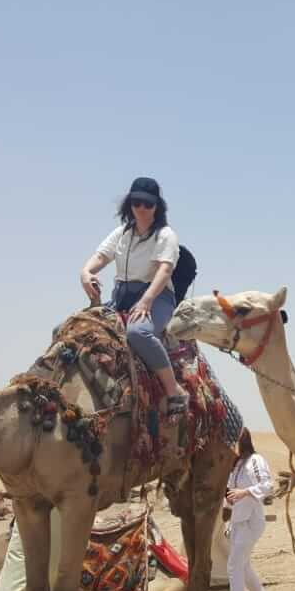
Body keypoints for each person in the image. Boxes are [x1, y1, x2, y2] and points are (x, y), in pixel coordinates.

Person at [79, 176, 190, 417]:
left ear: (157, 207)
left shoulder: (166, 235)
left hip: (156, 297)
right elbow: (100, 257)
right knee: (67, 329)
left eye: (147, 204)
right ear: (129, 204)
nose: (141, 208)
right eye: (136, 202)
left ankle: (174, 391)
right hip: (120, 299)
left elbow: (165, 270)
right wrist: (86, 272)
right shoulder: (122, 233)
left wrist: (147, 300)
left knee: (137, 332)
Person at [212, 429, 274, 591]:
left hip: (251, 522)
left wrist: (245, 492)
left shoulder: (256, 460)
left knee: (234, 565)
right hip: (237, 523)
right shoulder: (238, 465)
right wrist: (226, 509)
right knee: (243, 566)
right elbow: (231, 493)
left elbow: (267, 485)